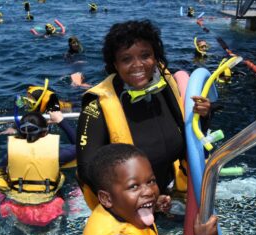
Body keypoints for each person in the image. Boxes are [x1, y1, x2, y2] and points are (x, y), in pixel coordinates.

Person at [76, 20, 212, 209]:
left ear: (155, 57)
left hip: (168, 195)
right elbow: (87, 169)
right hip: (128, 207)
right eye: (126, 59)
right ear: (115, 64)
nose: (137, 65)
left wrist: (203, 115)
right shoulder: (97, 106)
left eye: (145, 55)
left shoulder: (166, 86)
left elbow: (193, 138)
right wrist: (141, 200)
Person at [75, 143, 218, 235]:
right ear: (106, 198)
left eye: (151, 181)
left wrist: (153, 205)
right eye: (134, 186)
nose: (149, 191)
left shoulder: (116, 208)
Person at [0, 111, 76, 226]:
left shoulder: (10, 154)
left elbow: (1, 168)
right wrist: (61, 121)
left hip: (14, 210)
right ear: (46, 132)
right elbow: (81, 145)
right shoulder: (58, 155)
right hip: (50, 211)